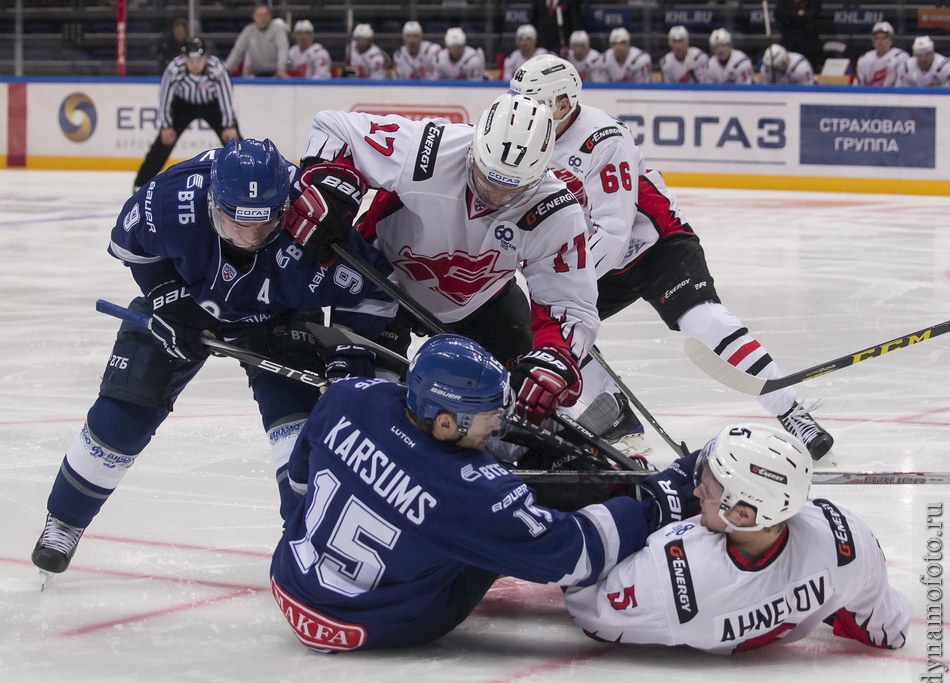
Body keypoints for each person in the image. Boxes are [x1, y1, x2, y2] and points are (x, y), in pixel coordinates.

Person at [31, 138, 396, 585]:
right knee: (124, 410)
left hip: (277, 316)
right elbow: (129, 245)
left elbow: (375, 293)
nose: (251, 236)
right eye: (237, 222)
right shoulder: (173, 197)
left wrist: (346, 357)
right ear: (211, 202)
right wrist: (167, 297)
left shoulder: (313, 220)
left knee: (300, 433)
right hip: (187, 299)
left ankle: (309, 544)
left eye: (266, 224)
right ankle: (65, 520)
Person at [269, 333, 699, 652]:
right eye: (486, 416)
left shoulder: (350, 395)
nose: (496, 424)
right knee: (511, 509)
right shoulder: (469, 495)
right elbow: (574, 555)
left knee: (472, 511)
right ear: (443, 421)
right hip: (380, 622)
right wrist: (653, 506)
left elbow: (301, 482)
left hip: (291, 580)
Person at [509, 55, 836, 461]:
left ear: (562, 104)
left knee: (704, 320)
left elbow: (614, 231)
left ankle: (791, 411)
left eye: (534, 104)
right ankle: (614, 414)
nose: (522, 112)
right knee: (549, 327)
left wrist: (563, 284)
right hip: (597, 254)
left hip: (656, 246)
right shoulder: (526, 133)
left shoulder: (603, 138)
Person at [291, 93, 598, 426]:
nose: (494, 197)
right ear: (474, 149)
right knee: (368, 406)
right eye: (487, 177)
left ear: (540, 176)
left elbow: (570, 304)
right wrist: (330, 185)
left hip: (481, 300)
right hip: (384, 286)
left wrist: (554, 359)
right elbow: (334, 127)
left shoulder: (554, 210)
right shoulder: (429, 148)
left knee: (530, 400)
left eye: (512, 190)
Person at [564, 423, 911, 653]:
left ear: (743, 514)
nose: (698, 489)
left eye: (709, 488)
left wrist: (638, 508)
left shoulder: (674, 572)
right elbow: (886, 631)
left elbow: (588, 605)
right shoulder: (848, 539)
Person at [133, 38, 241, 192]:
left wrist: (229, 125)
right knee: (163, 143)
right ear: (185, 58)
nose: (195, 65)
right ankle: (140, 185)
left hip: (212, 105)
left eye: (199, 60)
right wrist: (166, 125)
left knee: (234, 142)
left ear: (205, 58)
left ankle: (245, 177)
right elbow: (164, 98)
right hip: (183, 106)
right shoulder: (174, 69)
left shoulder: (217, 68)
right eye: (191, 60)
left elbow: (226, 98)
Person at [224, 2, 290, 78]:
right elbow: (238, 51)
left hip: (276, 74)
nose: (263, 18)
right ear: (254, 16)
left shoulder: (278, 30)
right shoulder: (248, 31)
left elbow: (282, 48)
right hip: (257, 74)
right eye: (260, 16)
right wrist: (226, 70)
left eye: (265, 15)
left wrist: (281, 68)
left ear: (270, 16)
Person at [854, 21, 908, 86]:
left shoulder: (900, 56)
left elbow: (902, 83)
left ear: (890, 39)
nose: (880, 42)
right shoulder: (864, 58)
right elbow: (858, 83)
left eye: (883, 38)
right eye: (877, 38)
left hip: (892, 94)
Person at [774, 0, 823, 71]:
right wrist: (797, 13)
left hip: (808, 44)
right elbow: (778, 14)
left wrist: (789, 18)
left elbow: (811, 16)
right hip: (788, 43)